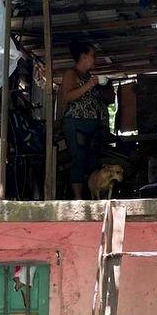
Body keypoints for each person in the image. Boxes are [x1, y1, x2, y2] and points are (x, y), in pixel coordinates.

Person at [60, 41, 106, 199]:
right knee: (78, 160)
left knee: (92, 161)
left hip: (92, 125)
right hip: (76, 123)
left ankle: (93, 196)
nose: (95, 59)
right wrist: (88, 86)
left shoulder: (88, 77)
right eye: (93, 55)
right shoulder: (71, 73)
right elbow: (67, 96)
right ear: (83, 57)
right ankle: (78, 199)